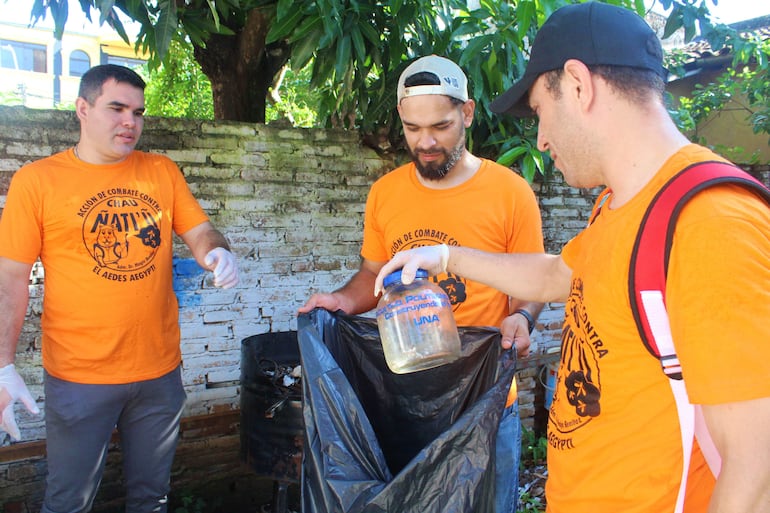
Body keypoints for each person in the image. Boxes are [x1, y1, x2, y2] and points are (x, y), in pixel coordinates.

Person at [373, 3, 770, 513]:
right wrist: (445, 255)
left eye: (541, 110)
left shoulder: (710, 223)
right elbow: (556, 274)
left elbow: (756, 470)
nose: (539, 139)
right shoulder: (621, 203)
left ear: (579, 86)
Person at [298, 55, 545, 513]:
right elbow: (372, 275)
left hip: (483, 403)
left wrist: (522, 317)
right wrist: (340, 301)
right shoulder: (386, 193)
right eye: (412, 128)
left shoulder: (510, 193)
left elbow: (532, 280)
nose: (426, 142)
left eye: (440, 126)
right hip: (405, 401)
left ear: (467, 113)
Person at [0, 64, 239, 513]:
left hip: (159, 372)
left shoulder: (160, 171)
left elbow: (201, 231)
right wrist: (2, 367)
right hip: (79, 376)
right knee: (68, 501)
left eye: (138, 112)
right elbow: (9, 280)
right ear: (83, 109)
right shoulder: (38, 181)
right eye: (117, 108)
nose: (131, 122)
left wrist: (217, 252)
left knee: (152, 499)